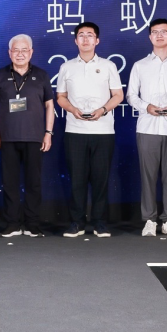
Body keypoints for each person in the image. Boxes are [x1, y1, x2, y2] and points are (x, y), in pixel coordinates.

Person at [54, 22, 124, 238]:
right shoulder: (67, 67)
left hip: (103, 131)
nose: (85, 39)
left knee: (101, 179)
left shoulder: (108, 65)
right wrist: (72, 109)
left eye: (90, 35)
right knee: (77, 179)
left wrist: (103, 110)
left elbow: (118, 95)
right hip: (75, 130)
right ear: (76, 40)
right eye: (81, 35)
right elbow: (60, 97)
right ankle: (77, 222)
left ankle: (100, 222)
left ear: (97, 40)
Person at [126, 19, 167, 238]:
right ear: (150, 37)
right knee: (148, 176)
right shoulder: (140, 66)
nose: (159, 35)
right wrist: (147, 107)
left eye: (163, 31)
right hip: (147, 127)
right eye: (155, 32)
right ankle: (149, 220)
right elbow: (131, 96)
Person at [0, 34, 54, 238]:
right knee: (10, 183)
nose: (20, 54)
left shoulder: (41, 75)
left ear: (31, 52)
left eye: (24, 50)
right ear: (10, 53)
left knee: (34, 182)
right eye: (16, 50)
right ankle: (12, 224)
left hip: (35, 137)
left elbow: (49, 106)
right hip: (7, 138)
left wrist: (48, 133)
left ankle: (32, 224)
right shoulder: (0, 75)